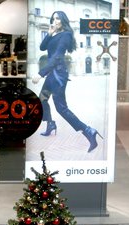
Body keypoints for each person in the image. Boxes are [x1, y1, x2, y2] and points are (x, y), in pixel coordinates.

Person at [32, 11, 102, 153]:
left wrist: (40, 73)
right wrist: (50, 33)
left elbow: (57, 56)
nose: (54, 20)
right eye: (53, 18)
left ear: (63, 20)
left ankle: (89, 130)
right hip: (53, 74)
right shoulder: (55, 34)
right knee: (42, 100)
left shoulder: (66, 35)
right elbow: (42, 47)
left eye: (57, 18)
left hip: (58, 75)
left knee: (61, 108)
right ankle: (50, 124)